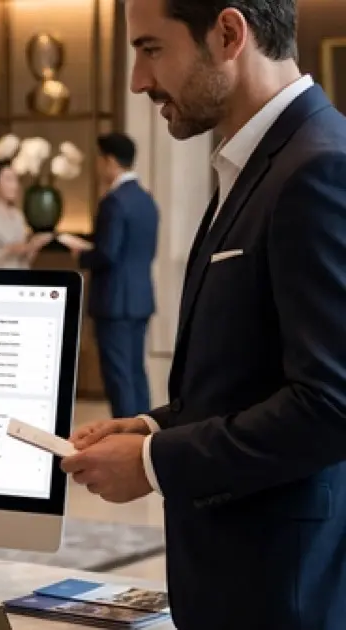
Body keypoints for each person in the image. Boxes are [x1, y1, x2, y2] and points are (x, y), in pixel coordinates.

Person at [62, 0, 346, 627]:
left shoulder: (320, 166)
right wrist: (152, 427)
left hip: (282, 588)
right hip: (236, 574)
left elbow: (331, 404)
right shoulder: (260, 162)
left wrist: (153, 464)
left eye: (151, 49)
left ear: (227, 34)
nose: (138, 80)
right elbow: (252, 373)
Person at [63, 133, 158, 418]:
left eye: (99, 159)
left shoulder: (114, 202)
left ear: (110, 161)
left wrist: (81, 254)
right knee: (135, 372)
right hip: (140, 297)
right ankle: (143, 435)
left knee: (118, 376)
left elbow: (107, 253)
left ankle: (124, 440)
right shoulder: (145, 200)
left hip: (114, 300)